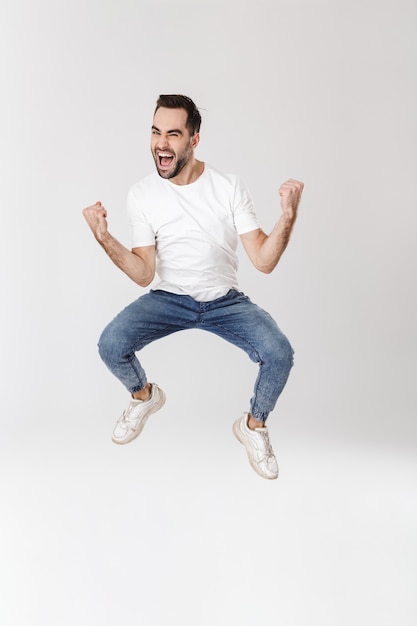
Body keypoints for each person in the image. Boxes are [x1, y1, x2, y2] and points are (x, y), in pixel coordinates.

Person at [82, 94, 303, 480]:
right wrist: (105, 238)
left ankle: (253, 427)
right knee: (111, 344)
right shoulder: (143, 194)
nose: (161, 143)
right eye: (155, 132)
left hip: (224, 302)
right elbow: (143, 273)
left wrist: (287, 217)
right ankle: (143, 397)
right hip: (169, 299)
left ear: (194, 139)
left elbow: (264, 261)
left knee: (280, 353)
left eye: (173, 134)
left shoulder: (228, 186)